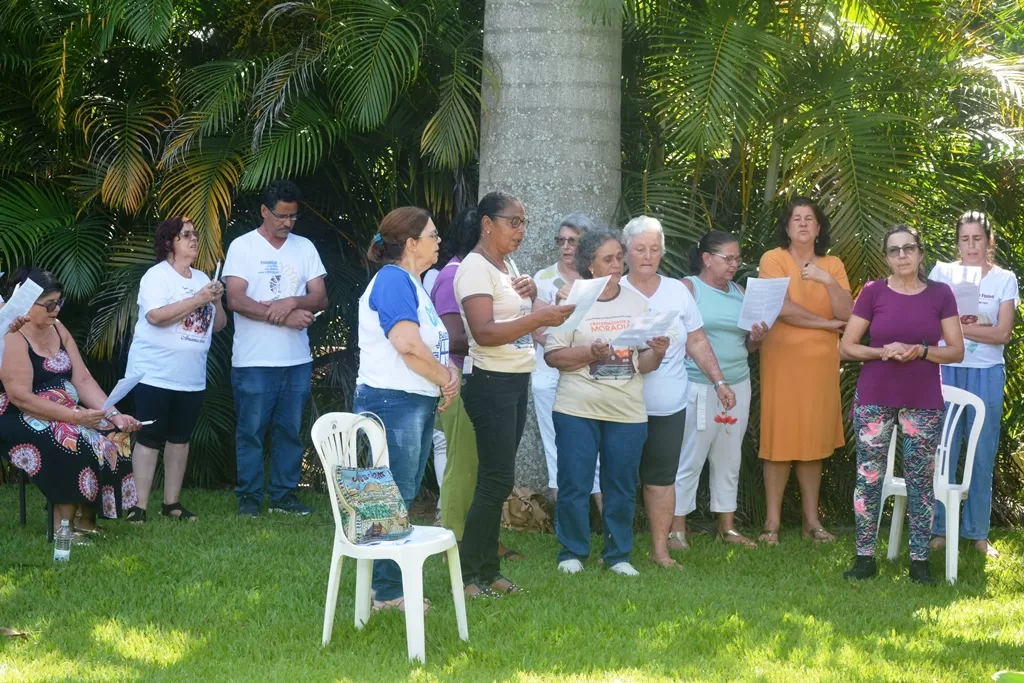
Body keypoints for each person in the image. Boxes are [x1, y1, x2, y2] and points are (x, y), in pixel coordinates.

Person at [455, 191, 575, 598]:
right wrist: (539, 317)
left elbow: (512, 316)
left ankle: (489, 571)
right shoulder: (474, 268)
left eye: (524, 222)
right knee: (494, 481)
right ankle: (469, 576)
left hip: (514, 378)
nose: (521, 230)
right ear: (487, 224)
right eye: (514, 221)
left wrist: (531, 296)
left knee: (499, 479)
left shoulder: (506, 265)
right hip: (490, 382)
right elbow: (484, 332)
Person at [839, 225, 964, 584]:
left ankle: (920, 563)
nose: (902, 255)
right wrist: (883, 352)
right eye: (894, 250)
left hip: (922, 399)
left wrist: (920, 351)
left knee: (921, 481)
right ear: (887, 258)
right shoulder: (873, 292)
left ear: (921, 253)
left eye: (908, 248)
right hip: (875, 397)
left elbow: (956, 350)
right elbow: (847, 346)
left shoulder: (940, 294)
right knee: (869, 477)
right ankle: (865, 559)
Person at [546, 227, 670, 576]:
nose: (617, 265)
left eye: (619, 257)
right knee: (575, 483)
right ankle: (572, 552)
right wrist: (590, 353)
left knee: (621, 486)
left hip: (627, 411)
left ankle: (618, 555)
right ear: (590, 265)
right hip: (577, 409)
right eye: (608, 259)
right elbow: (553, 356)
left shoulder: (637, 303)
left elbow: (644, 364)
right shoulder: (572, 301)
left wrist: (658, 352)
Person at [354, 206, 458, 612]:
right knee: (391, 495)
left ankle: (386, 586)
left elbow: (427, 346)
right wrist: (444, 378)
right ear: (412, 243)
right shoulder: (393, 280)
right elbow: (408, 345)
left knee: (400, 492)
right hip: (392, 401)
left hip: (407, 400)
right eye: (433, 235)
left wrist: (445, 374)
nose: (439, 241)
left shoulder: (412, 282)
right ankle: (387, 592)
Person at [619, 216, 735, 567]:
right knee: (619, 480)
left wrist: (719, 381)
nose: (648, 256)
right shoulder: (613, 291)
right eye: (640, 249)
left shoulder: (677, 291)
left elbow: (697, 340)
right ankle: (616, 552)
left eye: (654, 249)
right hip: (621, 405)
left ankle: (661, 550)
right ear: (626, 252)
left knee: (661, 480)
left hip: (668, 405)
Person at [0, 269, 141, 539]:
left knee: (113, 432)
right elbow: (20, 396)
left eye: (59, 302)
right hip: (19, 413)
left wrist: (114, 414)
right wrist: (73, 418)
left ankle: (86, 520)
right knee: (71, 438)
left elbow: (83, 379)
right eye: (49, 304)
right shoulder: (12, 334)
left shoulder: (57, 327)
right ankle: (61, 528)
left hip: (65, 409)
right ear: (25, 303)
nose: (56, 310)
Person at [224, 180, 328, 517]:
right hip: (253, 360)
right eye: (281, 216)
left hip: (296, 359)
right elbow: (235, 299)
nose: (288, 223)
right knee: (251, 431)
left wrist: (291, 302)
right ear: (264, 211)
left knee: (289, 431)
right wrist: (285, 318)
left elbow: (320, 297)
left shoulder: (305, 247)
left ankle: (284, 496)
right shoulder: (243, 246)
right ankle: (250, 499)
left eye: (293, 217)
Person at [758, 196, 851, 545]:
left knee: (813, 440)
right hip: (782, 361)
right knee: (779, 439)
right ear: (786, 227)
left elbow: (848, 312)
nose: (802, 223)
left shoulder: (834, 264)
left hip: (821, 365)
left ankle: (812, 522)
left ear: (819, 227)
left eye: (809, 218)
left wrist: (828, 281)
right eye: (795, 218)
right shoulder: (773, 259)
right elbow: (782, 309)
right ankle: (771, 524)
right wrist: (827, 325)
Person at [123, 217, 227, 523]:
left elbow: (218, 326)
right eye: (186, 235)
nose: (194, 239)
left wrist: (217, 301)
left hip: (191, 377)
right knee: (150, 437)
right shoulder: (156, 276)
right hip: (154, 373)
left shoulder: (202, 278)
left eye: (195, 234)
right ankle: (139, 506)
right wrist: (198, 299)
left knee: (180, 438)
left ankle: (172, 503)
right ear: (170, 242)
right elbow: (156, 317)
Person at [929, 211, 1018, 559]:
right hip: (947, 369)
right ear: (957, 242)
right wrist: (965, 329)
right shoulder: (942, 274)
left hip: (987, 371)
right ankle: (939, 529)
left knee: (982, 451)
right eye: (964, 239)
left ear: (989, 241)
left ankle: (978, 534)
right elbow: (929, 322)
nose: (971, 245)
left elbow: (1002, 333)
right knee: (944, 449)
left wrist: (956, 327)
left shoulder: (1004, 279)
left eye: (977, 238)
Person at [672, 231, 769, 549]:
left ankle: (726, 527)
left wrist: (757, 338)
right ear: (707, 258)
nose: (734, 264)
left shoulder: (740, 292)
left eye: (737, 258)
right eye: (728, 258)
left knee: (729, 456)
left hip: (738, 383)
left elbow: (747, 345)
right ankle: (676, 530)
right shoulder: (688, 289)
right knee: (690, 456)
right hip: (697, 385)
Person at [530, 213, 602, 508]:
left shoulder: (598, 279)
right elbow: (537, 331)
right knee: (555, 448)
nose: (566, 247)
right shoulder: (544, 279)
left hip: (591, 372)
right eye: (561, 241)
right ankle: (566, 520)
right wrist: (571, 350)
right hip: (550, 374)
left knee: (596, 447)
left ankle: (605, 518)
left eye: (572, 241)